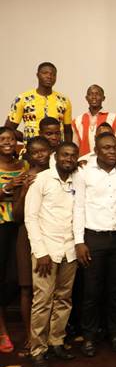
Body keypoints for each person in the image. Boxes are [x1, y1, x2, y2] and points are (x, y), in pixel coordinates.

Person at [72, 133, 116, 356]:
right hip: (93, 238)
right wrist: (79, 241)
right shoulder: (83, 173)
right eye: (106, 148)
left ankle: (115, 334)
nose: (111, 151)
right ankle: (89, 337)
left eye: (114, 147)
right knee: (92, 291)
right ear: (96, 151)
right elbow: (78, 207)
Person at [25, 142, 79, 367]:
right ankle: (37, 349)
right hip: (45, 251)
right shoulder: (41, 180)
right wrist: (41, 252)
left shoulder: (78, 179)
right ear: (56, 156)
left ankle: (56, 341)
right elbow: (31, 217)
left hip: (70, 249)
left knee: (64, 299)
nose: (69, 158)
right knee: (42, 301)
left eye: (73, 155)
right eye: (65, 154)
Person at [12, 136, 51, 355]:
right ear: (28, 155)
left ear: (49, 151)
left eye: (43, 151)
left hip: (52, 235)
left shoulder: (58, 174)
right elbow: (17, 216)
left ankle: (50, 334)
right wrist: (25, 191)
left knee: (50, 288)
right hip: (26, 237)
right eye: (35, 152)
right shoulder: (24, 177)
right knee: (28, 286)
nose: (40, 155)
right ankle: (30, 334)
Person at [0, 127, 29, 353]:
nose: (8, 142)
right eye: (2, 139)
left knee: (15, 279)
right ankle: (3, 332)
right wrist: (8, 187)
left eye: (11, 138)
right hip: (1, 227)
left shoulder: (24, 165)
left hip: (20, 227)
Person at [5, 62, 72, 142]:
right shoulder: (23, 99)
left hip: (56, 151)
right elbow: (8, 129)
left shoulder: (64, 100)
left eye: (53, 74)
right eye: (45, 73)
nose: (49, 76)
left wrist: (67, 148)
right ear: (37, 75)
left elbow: (68, 131)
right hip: (31, 151)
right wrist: (27, 139)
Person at [71, 85, 116, 157]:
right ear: (86, 98)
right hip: (85, 164)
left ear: (103, 98)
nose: (94, 97)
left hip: (107, 163)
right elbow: (75, 147)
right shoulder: (77, 121)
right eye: (90, 94)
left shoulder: (115, 118)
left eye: (97, 94)